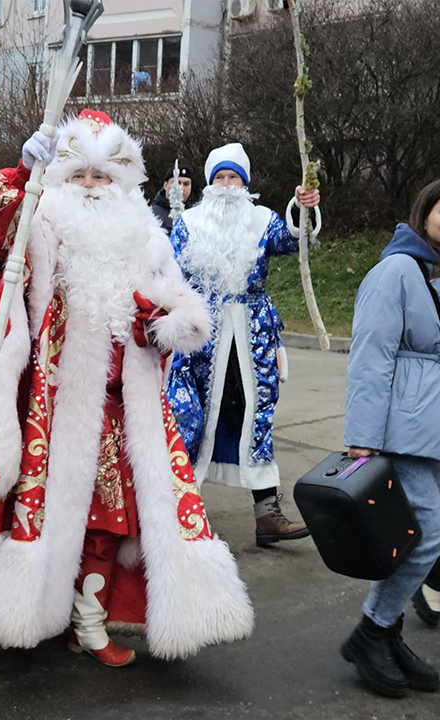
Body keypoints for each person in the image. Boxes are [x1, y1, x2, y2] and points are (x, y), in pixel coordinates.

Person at [0, 110, 254, 666]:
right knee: (41, 507)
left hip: (125, 405)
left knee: (110, 518)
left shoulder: (147, 236)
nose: (92, 188)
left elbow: (168, 305)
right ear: (60, 179)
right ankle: (27, 608)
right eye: (79, 176)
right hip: (45, 406)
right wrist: (22, 174)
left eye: (103, 177)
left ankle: (88, 621)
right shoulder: (40, 222)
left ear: (123, 183)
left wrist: (168, 322)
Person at [165, 143, 318, 547]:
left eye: (235, 178)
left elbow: (293, 238)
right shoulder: (189, 223)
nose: (228, 186)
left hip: (253, 335)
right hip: (202, 339)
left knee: (257, 414)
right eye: (220, 177)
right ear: (210, 183)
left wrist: (303, 206)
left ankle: (267, 514)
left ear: (245, 184)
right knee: (192, 417)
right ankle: (182, 509)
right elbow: (172, 277)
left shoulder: (262, 219)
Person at [341, 179, 440, 697]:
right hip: (405, 433)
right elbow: (370, 358)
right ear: (425, 211)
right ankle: (371, 632)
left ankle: (388, 632)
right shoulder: (398, 270)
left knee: (413, 539)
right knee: (426, 535)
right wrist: (363, 438)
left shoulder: (433, 272)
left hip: (434, 432)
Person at [149, 163, 193, 232]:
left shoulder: (194, 214)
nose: (181, 188)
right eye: (177, 183)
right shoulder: (152, 213)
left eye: (186, 184)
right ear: (165, 185)